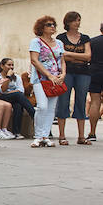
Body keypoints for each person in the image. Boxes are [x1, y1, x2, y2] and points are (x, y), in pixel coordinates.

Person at [55, 11, 92, 146]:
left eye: (79, 20)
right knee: (63, 101)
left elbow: (88, 56)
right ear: (68, 22)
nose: (78, 22)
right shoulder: (61, 38)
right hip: (67, 72)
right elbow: (61, 55)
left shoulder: (85, 38)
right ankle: (62, 135)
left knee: (81, 101)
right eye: (75, 20)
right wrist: (78, 56)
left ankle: (81, 136)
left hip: (83, 73)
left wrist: (69, 54)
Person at [29, 15, 66, 148]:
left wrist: (63, 74)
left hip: (55, 78)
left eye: (54, 25)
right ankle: (38, 136)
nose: (52, 27)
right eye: (49, 25)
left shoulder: (59, 43)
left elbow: (62, 60)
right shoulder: (36, 42)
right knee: (42, 106)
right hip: (40, 78)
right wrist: (48, 75)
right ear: (42, 28)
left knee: (51, 109)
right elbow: (34, 60)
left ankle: (45, 135)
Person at [0, 58, 34, 139]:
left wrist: (13, 93)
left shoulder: (16, 77)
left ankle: (16, 132)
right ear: (2, 66)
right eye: (9, 65)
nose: (11, 67)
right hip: (0, 97)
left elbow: (21, 90)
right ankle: (34, 114)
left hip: (13, 98)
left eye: (12, 65)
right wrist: (8, 78)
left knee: (18, 105)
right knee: (17, 95)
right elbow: (1, 91)